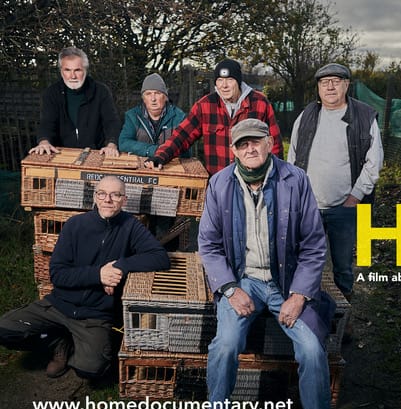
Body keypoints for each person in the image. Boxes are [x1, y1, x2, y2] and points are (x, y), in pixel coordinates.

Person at [196, 119, 331, 409]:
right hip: (242, 280)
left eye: (256, 142)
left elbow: (314, 245)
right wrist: (229, 287)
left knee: (313, 351)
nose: (250, 149)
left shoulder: (294, 180)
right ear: (233, 151)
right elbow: (209, 246)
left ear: (271, 143)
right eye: (242, 144)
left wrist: (299, 295)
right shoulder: (220, 184)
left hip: (286, 282)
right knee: (225, 345)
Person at [0, 176, 170, 379]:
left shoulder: (130, 226)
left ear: (124, 200)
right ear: (95, 197)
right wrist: (98, 275)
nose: (108, 199)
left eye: (115, 195)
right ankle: (57, 343)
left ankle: (75, 345)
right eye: (102, 194)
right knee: (5, 329)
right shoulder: (75, 225)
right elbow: (58, 274)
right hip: (58, 306)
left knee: (90, 369)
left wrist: (119, 266)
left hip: (95, 314)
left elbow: (160, 258)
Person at [288, 63, 384, 300]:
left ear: (346, 84)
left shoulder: (364, 116)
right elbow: (293, 156)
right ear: (318, 88)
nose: (330, 86)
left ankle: (344, 322)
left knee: (342, 266)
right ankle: (308, 311)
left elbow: (374, 162)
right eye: (324, 82)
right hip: (308, 207)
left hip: (345, 207)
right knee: (306, 263)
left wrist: (356, 196)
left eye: (336, 81)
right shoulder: (307, 115)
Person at [144, 58, 283, 175]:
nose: (224, 86)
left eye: (229, 80)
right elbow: (181, 136)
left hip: (254, 180)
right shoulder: (205, 105)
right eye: (220, 80)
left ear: (238, 81)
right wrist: (160, 156)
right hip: (219, 182)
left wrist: (276, 175)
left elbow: (274, 144)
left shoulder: (259, 103)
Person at [29, 47, 121, 158]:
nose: (72, 76)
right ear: (61, 71)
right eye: (67, 70)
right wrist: (44, 142)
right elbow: (47, 122)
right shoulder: (51, 93)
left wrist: (111, 144)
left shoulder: (101, 91)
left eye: (77, 70)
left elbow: (111, 122)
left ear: (85, 70)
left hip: (96, 153)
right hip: (62, 154)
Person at [118, 73, 191, 158]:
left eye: (157, 93)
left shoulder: (179, 117)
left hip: (170, 165)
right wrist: (152, 150)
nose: (153, 99)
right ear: (143, 98)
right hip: (141, 166)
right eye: (148, 94)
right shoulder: (133, 116)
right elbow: (124, 143)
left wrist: (164, 154)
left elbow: (185, 150)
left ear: (165, 97)